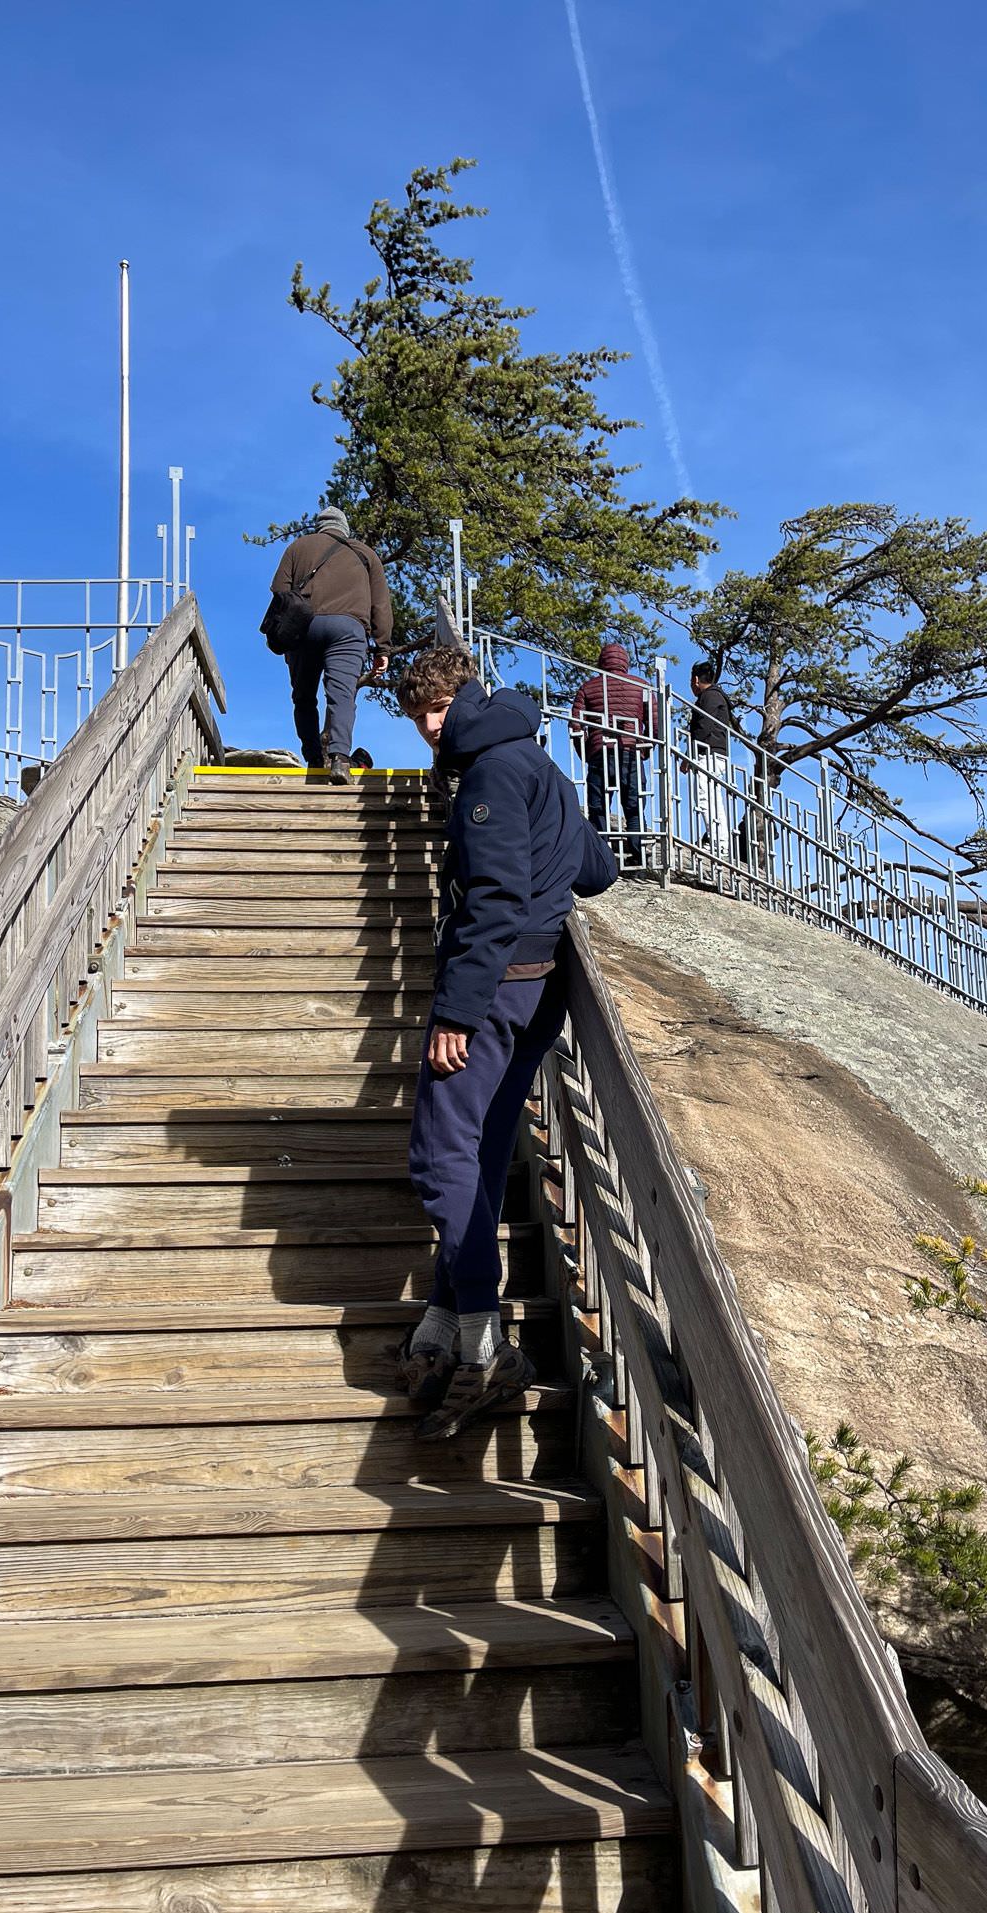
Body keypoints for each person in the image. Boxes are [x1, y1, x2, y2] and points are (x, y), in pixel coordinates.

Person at [391, 644, 617, 1440]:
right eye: (415, 713)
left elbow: (491, 897)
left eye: (437, 708)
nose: (426, 725)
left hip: (492, 990)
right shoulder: (538, 763)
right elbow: (597, 868)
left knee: (439, 1156)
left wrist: (456, 1011)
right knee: (483, 1151)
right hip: (539, 986)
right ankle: (446, 1319)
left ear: (467, 697)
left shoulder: (487, 774)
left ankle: (488, 1343)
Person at [267, 507, 393, 784]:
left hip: (304, 627)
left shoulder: (298, 546)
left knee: (304, 697)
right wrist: (383, 647)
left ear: (320, 526)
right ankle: (339, 759)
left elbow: (278, 589)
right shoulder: (365, 554)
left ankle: (312, 759)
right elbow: (381, 605)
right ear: (344, 528)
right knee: (342, 695)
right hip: (348, 630)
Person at [568, 642, 656, 870]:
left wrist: (586, 753)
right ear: (625, 662)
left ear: (602, 661)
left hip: (600, 752)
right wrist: (646, 746)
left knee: (598, 809)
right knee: (634, 807)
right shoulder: (641, 686)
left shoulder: (588, 687)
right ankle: (638, 860)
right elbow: (655, 723)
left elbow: (576, 726)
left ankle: (600, 861)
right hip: (631, 752)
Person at [687, 660, 734, 869]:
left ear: (696, 679)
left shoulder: (709, 697)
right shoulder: (717, 696)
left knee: (707, 798)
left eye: (691, 680)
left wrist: (690, 754)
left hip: (709, 754)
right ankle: (719, 843)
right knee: (714, 800)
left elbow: (703, 726)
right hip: (716, 753)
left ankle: (719, 845)